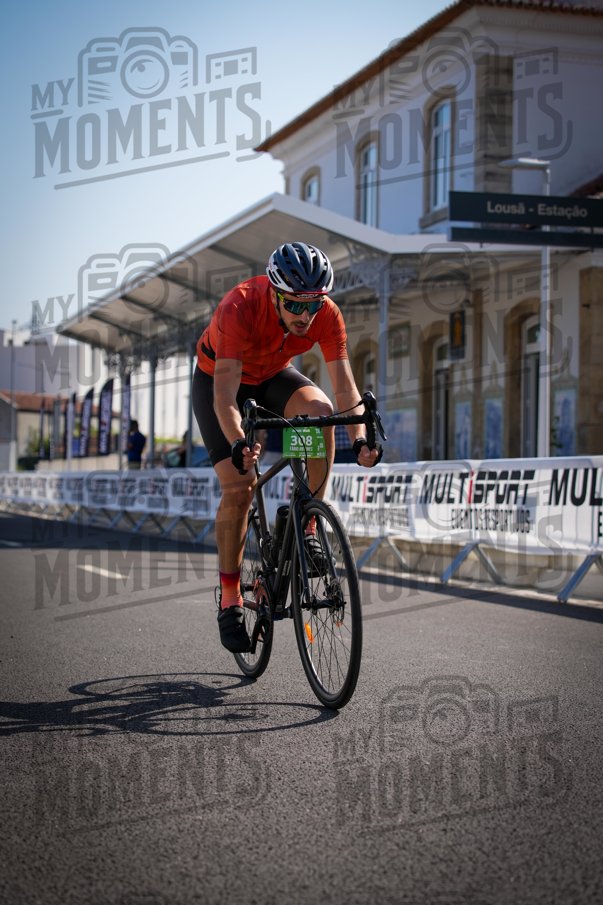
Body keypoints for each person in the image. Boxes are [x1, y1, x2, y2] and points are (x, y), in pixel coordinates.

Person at [193, 242, 383, 653]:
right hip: (220, 381)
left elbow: (345, 386)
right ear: (275, 294)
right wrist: (241, 443)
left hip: (273, 375)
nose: (305, 316)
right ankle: (229, 599)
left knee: (320, 411)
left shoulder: (325, 315)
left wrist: (361, 439)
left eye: (313, 306)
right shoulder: (238, 307)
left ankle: (307, 520)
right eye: (295, 305)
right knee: (239, 485)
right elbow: (225, 398)